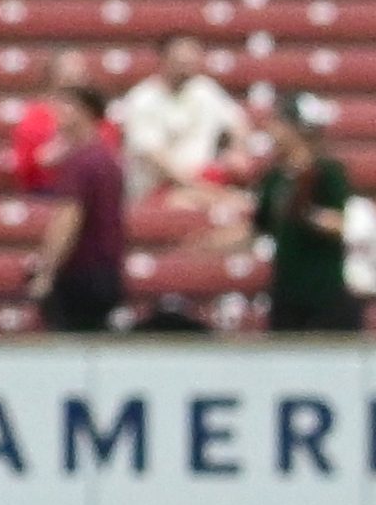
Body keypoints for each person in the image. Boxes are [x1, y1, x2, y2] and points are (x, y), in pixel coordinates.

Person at [251, 100, 359, 335]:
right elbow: (259, 226)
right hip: (286, 291)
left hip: (323, 292)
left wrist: (305, 213)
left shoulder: (326, 172)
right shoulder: (274, 177)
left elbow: (337, 223)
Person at [32, 82, 132, 333]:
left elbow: (68, 218)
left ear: (84, 111)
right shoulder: (106, 158)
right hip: (104, 270)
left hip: (82, 274)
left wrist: (46, 271)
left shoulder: (82, 162)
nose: (57, 113)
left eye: (66, 106)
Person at [114, 31, 252, 204]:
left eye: (192, 57)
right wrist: (198, 186)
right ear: (164, 59)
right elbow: (154, 158)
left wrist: (237, 150)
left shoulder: (205, 90)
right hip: (159, 189)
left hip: (206, 181)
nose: (187, 63)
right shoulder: (143, 99)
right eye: (181, 59)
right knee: (196, 204)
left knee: (243, 203)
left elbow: (238, 123)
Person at [0, 49, 72, 193]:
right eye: (69, 71)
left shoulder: (95, 116)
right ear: (53, 76)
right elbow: (23, 164)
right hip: (46, 191)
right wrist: (43, 158)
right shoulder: (35, 116)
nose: (75, 75)